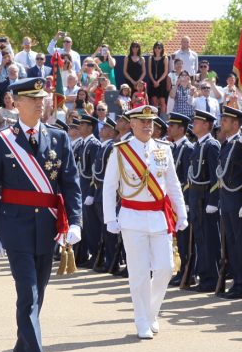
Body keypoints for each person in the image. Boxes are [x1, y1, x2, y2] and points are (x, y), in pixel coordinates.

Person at [0, 76, 82, 352]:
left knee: (38, 295)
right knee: (28, 295)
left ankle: (22, 348)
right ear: (15, 102)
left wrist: (74, 222)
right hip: (16, 229)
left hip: (48, 228)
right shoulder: (1, 141)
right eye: (33, 99)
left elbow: (71, 184)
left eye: (43, 98)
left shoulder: (59, 138)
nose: (41, 103)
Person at [103, 105, 188, 338]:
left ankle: (152, 311)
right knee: (139, 273)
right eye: (142, 121)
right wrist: (110, 217)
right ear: (131, 124)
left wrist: (181, 213)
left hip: (159, 218)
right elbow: (110, 186)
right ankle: (141, 319)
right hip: (132, 217)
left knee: (165, 268)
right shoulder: (121, 151)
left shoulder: (163, 149)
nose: (148, 125)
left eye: (151, 121)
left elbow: (173, 183)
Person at [217, 107, 242, 299]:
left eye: (226, 120)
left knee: (241, 246)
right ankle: (238, 283)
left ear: (236, 124)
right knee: (232, 245)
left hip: (237, 202)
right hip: (227, 202)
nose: (222, 122)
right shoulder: (227, 144)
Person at [185, 110, 221, 292]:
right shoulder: (198, 145)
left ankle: (211, 279)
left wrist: (214, 201)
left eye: (197, 121)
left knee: (209, 240)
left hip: (206, 199)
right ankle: (204, 276)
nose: (194, 124)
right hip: (196, 198)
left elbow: (216, 177)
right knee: (200, 239)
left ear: (206, 125)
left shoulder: (211, 145)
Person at [167, 112, 194, 286]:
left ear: (181, 129)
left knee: (185, 239)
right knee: (178, 238)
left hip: (183, 200)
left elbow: (189, 177)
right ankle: (181, 270)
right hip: (173, 201)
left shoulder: (187, 148)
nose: (168, 128)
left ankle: (187, 271)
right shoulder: (173, 147)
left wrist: (185, 202)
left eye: (172, 126)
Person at [90, 116, 119, 273]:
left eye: (105, 128)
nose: (101, 130)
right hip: (99, 189)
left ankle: (112, 261)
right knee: (104, 230)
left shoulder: (111, 147)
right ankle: (107, 260)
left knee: (110, 232)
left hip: (106, 190)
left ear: (112, 131)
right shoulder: (104, 146)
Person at [76, 114, 102, 268]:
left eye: (83, 125)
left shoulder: (94, 145)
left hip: (88, 190)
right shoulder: (82, 144)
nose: (79, 127)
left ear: (90, 127)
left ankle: (96, 255)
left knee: (92, 226)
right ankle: (85, 254)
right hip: (82, 189)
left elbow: (94, 173)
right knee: (85, 225)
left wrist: (91, 193)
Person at [148, 41, 169, 114]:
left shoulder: (165, 58)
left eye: (159, 47)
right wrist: (154, 81)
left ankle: (163, 120)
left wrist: (158, 81)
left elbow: (166, 71)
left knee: (162, 102)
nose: (157, 49)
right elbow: (150, 71)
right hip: (153, 82)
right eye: (156, 47)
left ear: (162, 49)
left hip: (162, 82)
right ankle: (155, 121)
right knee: (154, 102)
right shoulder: (151, 58)